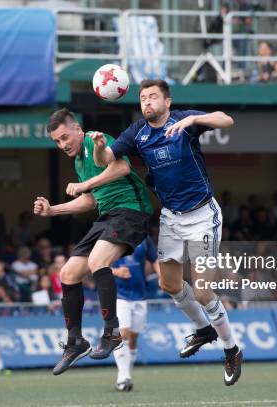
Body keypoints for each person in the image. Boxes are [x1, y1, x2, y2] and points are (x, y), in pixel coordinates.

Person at [91, 79, 242, 386]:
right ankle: (203, 329)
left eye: (153, 97)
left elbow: (227, 119)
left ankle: (231, 349)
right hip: (171, 218)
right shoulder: (137, 133)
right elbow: (106, 160)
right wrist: (99, 148)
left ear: (167, 102)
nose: (147, 102)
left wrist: (194, 118)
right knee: (169, 283)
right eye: (143, 98)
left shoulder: (184, 120)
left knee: (201, 290)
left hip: (202, 215)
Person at [34, 108, 153, 376]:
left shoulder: (96, 140)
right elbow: (91, 198)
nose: (63, 144)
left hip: (131, 210)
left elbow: (122, 167)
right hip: (107, 215)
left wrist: (86, 183)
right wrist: (53, 210)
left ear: (77, 128)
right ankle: (75, 341)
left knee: (98, 261)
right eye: (57, 141)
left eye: (65, 137)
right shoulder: (78, 161)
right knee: (68, 273)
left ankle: (112, 331)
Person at [111, 236, 160, 392]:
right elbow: (95, 265)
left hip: (140, 295)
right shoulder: (110, 235)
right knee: (122, 334)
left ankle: (127, 375)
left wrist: (162, 276)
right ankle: (123, 376)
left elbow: (155, 259)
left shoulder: (145, 238)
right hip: (119, 295)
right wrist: (116, 271)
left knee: (133, 339)